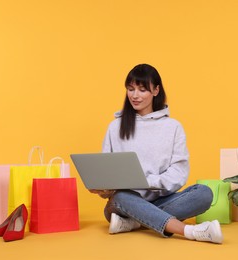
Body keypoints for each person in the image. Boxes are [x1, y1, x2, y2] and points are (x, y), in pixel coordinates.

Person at [90, 63, 223, 244]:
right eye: (130, 89)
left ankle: (135, 222)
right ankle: (189, 231)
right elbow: (108, 172)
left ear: (156, 90)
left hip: (162, 199)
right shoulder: (115, 127)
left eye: (142, 90)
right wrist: (103, 188)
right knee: (122, 196)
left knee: (204, 193)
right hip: (124, 203)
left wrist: (144, 181)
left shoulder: (173, 127)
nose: (135, 95)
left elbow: (179, 173)